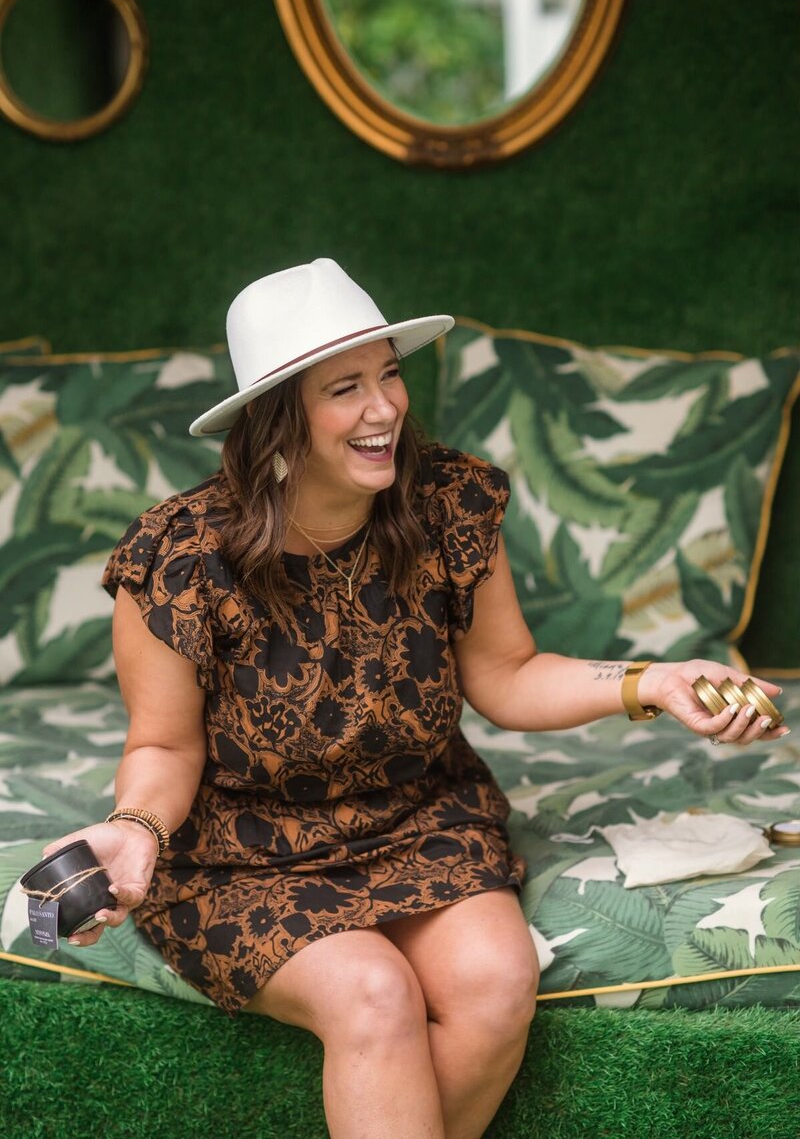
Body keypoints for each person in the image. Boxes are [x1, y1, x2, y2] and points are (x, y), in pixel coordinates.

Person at [45, 258, 788, 1139]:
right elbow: (166, 749)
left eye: (390, 373)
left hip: (420, 816)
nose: (385, 408)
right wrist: (135, 834)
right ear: (278, 419)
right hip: (245, 849)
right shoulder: (178, 560)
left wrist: (651, 684)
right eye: (346, 389)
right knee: (373, 994)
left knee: (496, 984)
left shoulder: (447, 503)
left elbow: (507, 676)